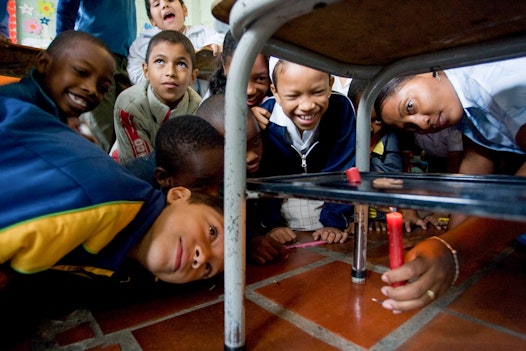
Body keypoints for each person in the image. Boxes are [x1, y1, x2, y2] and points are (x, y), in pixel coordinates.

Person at [0, 96, 225, 290]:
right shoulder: (98, 201)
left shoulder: (121, 252)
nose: (201, 256)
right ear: (178, 195)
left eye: (207, 269)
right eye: (212, 232)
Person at [374, 57, 526, 312]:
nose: (422, 124)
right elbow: (476, 165)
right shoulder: (466, 109)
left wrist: (454, 250)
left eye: (410, 106)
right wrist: (447, 239)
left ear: (430, 70)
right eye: (410, 127)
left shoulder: (489, 82)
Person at [257, 59, 356, 246]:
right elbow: (264, 178)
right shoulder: (263, 118)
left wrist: (334, 222)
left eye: (317, 92)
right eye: (293, 96)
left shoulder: (341, 109)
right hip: (282, 212)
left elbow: (344, 169)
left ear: (330, 85)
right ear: (275, 93)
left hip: (328, 206)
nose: (307, 106)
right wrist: (272, 225)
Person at [198, 92, 284, 264]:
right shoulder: (202, 184)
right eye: (237, 148)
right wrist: (248, 242)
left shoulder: (269, 159)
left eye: (256, 142)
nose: (252, 156)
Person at [0, 30, 115, 139]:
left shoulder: (61, 116)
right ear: (44, 64)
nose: (92, 89)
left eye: (102, 88)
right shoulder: (13, 107)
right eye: (81, 72)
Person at [56, 0, 137, 152]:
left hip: (125, 57)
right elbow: (66, 7)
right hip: (95, 55)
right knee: (99, 135)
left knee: (122, 135)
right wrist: (62, 49)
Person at [114, 30, 201, 165]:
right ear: (146, 71)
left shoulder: (198, 108)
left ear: (193, 77)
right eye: (160, 61)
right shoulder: (129, 105)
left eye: (181, 64)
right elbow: (139, 167)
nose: (170, 72)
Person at [127, 0, 223, 95]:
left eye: (171, 0)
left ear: (184, 10)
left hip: (202, 102)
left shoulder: (203, 34)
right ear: (152, 20)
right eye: (157, 4)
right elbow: (135, 73)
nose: (165, 5)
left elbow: (221, 39)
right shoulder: (142, 44)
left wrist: (214, 46)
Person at [125, 114, 225, 196]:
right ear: (163, 178)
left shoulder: (211, 171)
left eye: (220, 183)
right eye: (202, 186)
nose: (215, 195)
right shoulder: (131, 198)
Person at [207, 30, 271, 130]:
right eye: (238, 78)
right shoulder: (213, 100)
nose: (249, 91)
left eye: (260, 79)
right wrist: (247, 117)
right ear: (224, 67)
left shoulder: (281, 100)